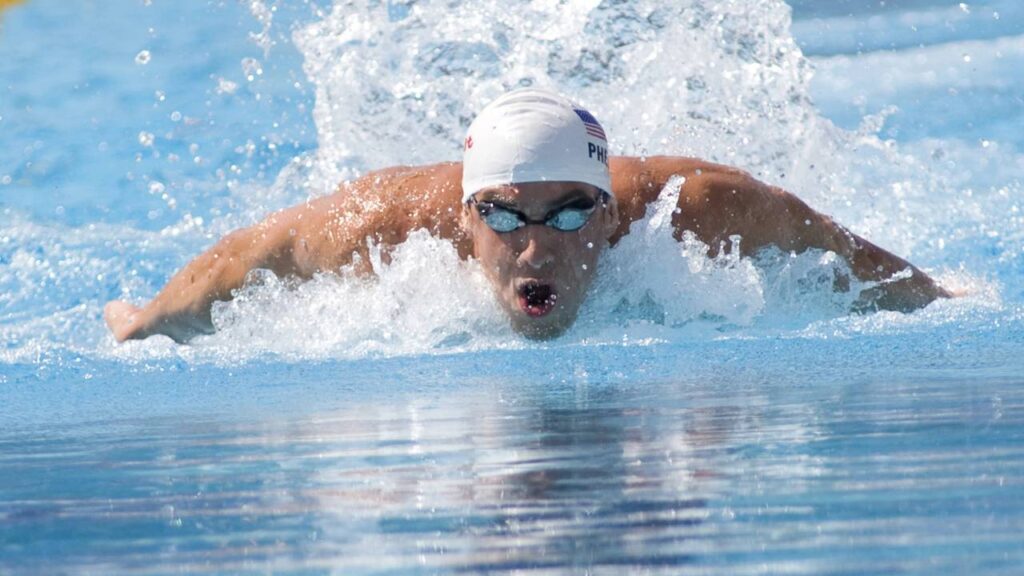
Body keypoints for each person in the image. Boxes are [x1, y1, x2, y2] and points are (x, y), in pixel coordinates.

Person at [104, 88, 951, 343]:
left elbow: (834, 247)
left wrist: (942, 301)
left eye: (571, 215)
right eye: (507, 220)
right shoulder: (381, 227)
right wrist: (140, 325)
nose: (539, 247)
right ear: (467, 220)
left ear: (610, 214)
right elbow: (237, 263)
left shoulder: (695, 210)